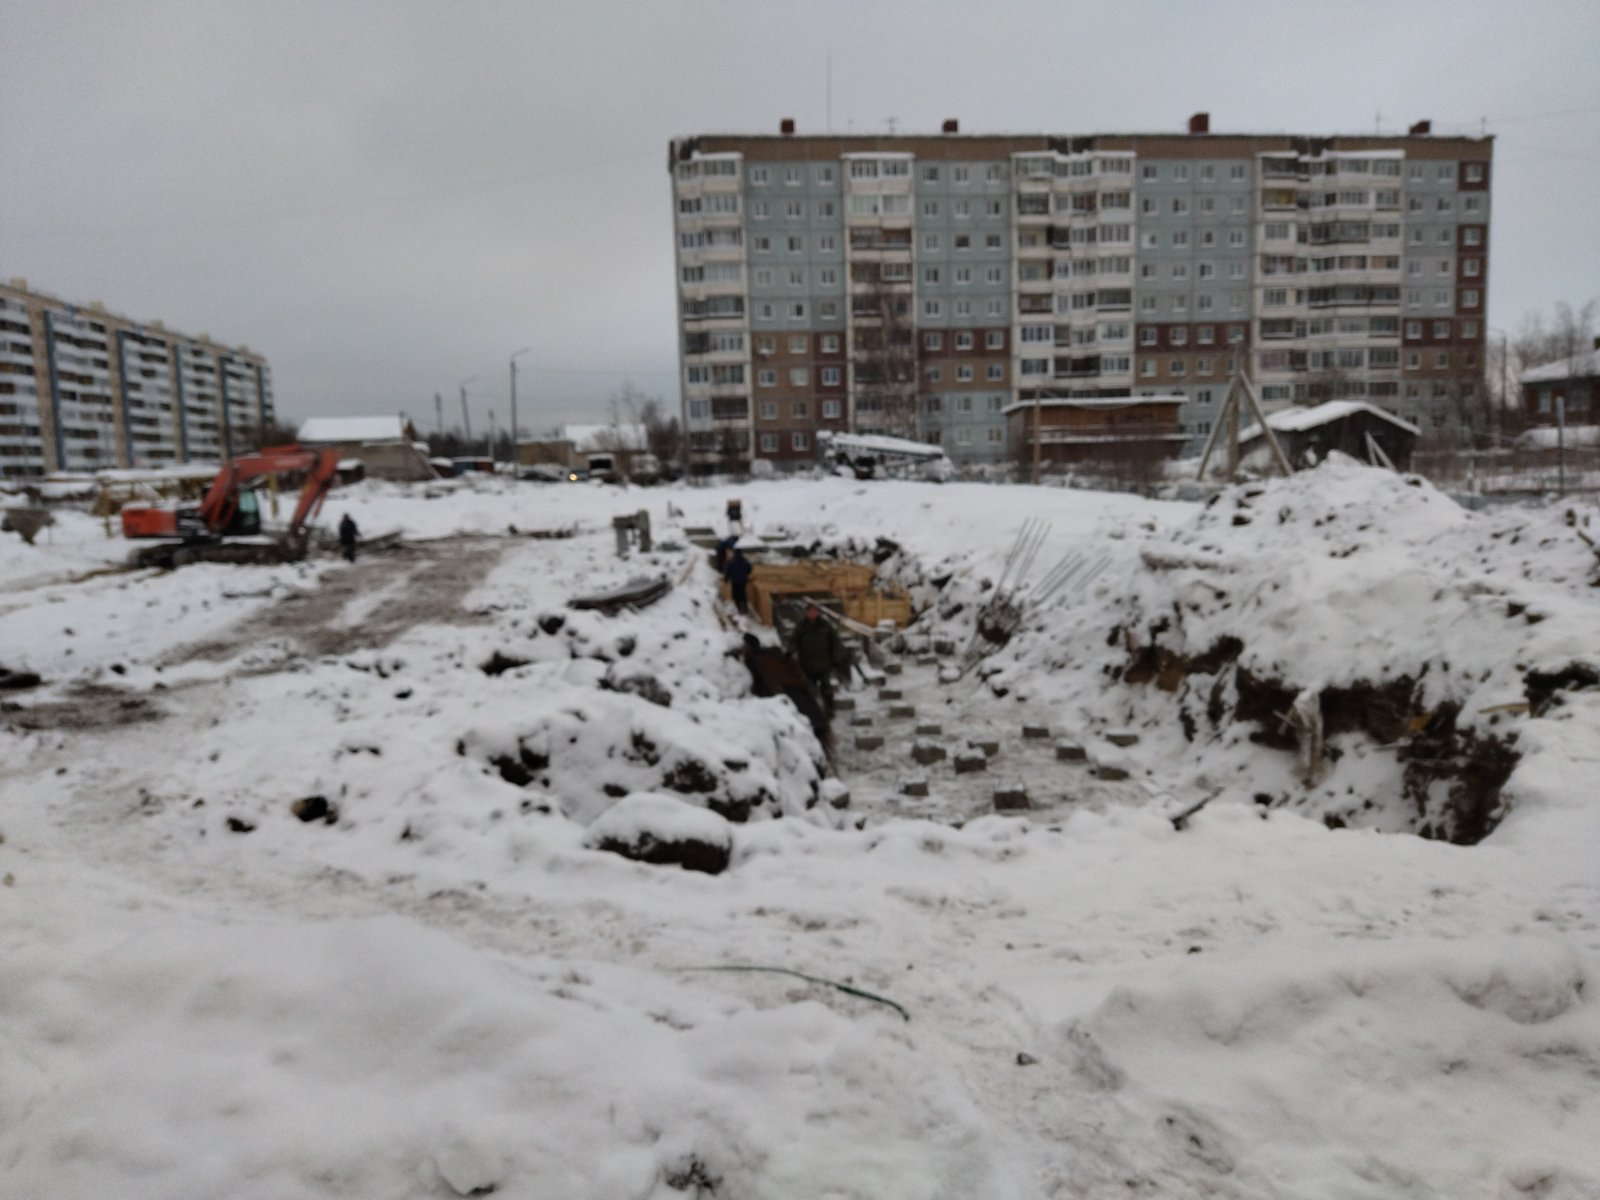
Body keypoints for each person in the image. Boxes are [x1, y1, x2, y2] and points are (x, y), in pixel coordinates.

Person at [792, 602, 847, 714]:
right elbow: (793, 641)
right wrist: (789, 651)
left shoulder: (825, 626)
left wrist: (836, 659)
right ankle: (813, 712)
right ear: (806, 613)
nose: (812, 614)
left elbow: (835, 642)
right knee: (809, 690)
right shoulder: (801, 626)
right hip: (807, 664)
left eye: (814, 611)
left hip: (824, 664)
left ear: (818, 613)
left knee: (826, 689)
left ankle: (829, 709)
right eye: (810, 611)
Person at [725, 547, 753, 615]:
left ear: (734, 553)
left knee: (736, 595)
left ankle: (739, 609)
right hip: (743, 581)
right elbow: (749, 567)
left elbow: (728, 571)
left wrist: (726, 579)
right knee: (743, 594)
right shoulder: (744, 560)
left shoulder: (731, 561)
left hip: (735, 581)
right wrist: (746, 574)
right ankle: (745, 608)